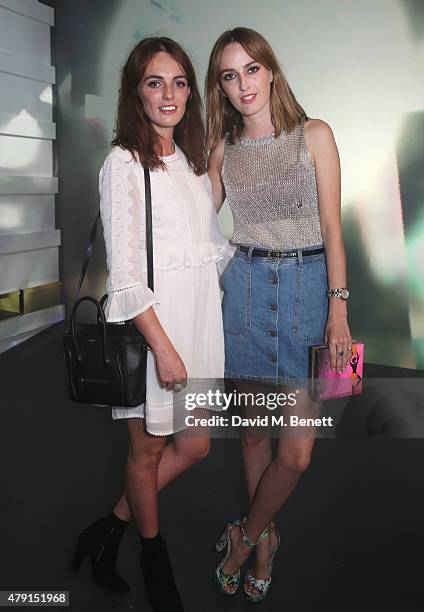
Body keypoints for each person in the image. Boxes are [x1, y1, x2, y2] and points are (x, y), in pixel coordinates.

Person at [71, 37, 230, 612]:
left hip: (198, 321)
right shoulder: (123, 162)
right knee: (147, 452)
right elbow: (127, 273)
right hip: (158, 329)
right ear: (135, 91)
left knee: (196, 446)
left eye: (179, 82)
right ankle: (152, 556)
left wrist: (213, 171)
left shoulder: (186, 162)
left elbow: (207, 244)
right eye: (155, 82)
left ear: (190, 91)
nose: (169, 94)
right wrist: (162, 348)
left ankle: (107, 527)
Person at [206, 27, 353, 603]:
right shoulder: (224, 151)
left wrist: (338, 313)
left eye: (251, 69)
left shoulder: (313, 135)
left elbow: (334, 229)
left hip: (307, 291)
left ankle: (242, 536)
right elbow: (193, 222)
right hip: (242, 290)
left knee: (296, 452)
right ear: (221, 86)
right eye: (229, 75)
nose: (243, 84)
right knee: (252, 436)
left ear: (270, 70)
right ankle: (265, 540)